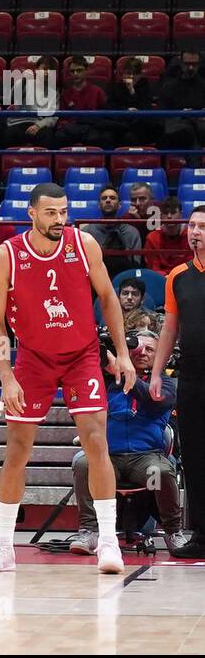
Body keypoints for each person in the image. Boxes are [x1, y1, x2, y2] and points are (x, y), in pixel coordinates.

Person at [0, 182, 135, 575]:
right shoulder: (6, 255)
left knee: (97, 440)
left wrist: (123, 354)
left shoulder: (84, 244)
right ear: (31, 213)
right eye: (51, 212)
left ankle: (107, 542)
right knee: (17, 449)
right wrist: (6, 376)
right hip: (33, 358)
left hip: (82, 355)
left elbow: (108, 298)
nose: (59, 219)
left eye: (63, 212)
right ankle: (2, 547)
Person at [70, 330, 186, 555]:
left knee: (159, 471)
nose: (142, 352)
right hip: (107, 457)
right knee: (84, 463)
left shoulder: (166, 383)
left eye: (150, 349)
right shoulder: (106, 382)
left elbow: (151, 400)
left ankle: (173, 531)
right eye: (137, 348)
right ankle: (89, 531)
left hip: (145, 458)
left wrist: (120, 370)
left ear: (160, 355)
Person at [150, 206, 205, 556]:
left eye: (202, 226)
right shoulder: (178, 276)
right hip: (193, 377)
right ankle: (200, 534)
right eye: (192, 225)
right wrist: (156, 372)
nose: (195, 231)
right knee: (197, 456)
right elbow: (170, 328)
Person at [80, 185, 142, 277]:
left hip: (125, 281)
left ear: (120, 205)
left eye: (112, 198)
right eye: (104, 198)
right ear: (99, 205)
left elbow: (136, 265)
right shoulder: (87, 232)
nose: (108, 200)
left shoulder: (132, 232)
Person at [144, 196, 190, 274]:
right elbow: (153, 268)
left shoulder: (190, 236)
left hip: (184, 279)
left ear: (181, 214)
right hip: (161, 279)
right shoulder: (152, 238)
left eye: (173, 213)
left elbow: (191, 266)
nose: (169, 216)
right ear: (161, 215)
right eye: (165, 213)